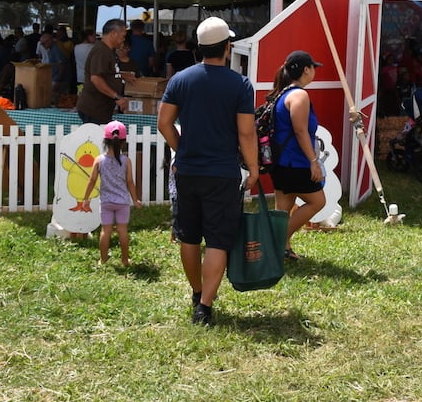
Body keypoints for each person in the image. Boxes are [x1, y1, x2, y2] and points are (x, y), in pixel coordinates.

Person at [157, 17, 258, 326]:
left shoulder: (181, 80)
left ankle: (196, 291)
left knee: (189, 237)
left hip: (187, 169)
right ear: (227, 48)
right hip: (223, 173)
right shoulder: (239, 84)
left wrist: (181, 147)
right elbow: (246, 133)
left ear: (198, 48)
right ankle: (205, 306)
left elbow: (163, 123)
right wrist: (253, 168)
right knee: (217, 239)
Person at [270, 50, 327, 260]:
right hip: (294, 163)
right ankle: (275, 240)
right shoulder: (299, 95)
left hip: (281, 162)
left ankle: (282, 250)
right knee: (318, 201)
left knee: (282, 210)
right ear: (306, 70)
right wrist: (313, 161)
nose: (314, 71)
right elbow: (300, 130)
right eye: (313, 67)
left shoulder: (283, 93)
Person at [80, 121, 142, 266]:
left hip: (106, 202)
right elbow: (130, 182)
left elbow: (92, 180)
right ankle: (125, 260)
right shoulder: (126, 161)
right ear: (123, 143)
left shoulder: (99, 160)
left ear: (105, 141)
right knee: (123, 231)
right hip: (122, 202)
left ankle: (103, 259)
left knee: (105, 231)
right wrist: (135, 199)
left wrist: (86, 198)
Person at [76, 19, 132, 125]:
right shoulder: (101, 51)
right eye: (122, 36)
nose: (123, 39)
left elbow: (106, 73)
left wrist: (121, 75)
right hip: (94, 108)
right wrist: (116, 96)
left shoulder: (107, 50)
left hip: (101, 108)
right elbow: (96, 78)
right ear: (114, 34)